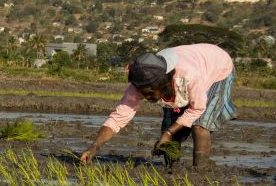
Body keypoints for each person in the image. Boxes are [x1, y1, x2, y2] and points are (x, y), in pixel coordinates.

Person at [80, 43, 236, 168]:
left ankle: (200, 171)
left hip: (218, 68)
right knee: (170, 126)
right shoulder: (139, 85)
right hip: (189, 70)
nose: (146, 98)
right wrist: (95, 147)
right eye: (143, 93)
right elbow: (117, 118)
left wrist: (168, 133)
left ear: (164, 84)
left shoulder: (188, 75)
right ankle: (172, 168)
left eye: (149, 93)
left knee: (200, 125)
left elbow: (197, 108)